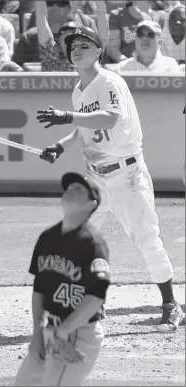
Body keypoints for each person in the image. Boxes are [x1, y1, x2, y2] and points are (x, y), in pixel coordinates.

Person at [37, 26, 185, 333]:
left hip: (127, 173)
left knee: (146, 239)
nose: (75, 49)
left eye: (83, 44)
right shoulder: (78, 90)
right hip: (96, 179)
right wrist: (61, 145)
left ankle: (171, 304)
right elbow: (85, 128)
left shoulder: (109, 81)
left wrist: (67, 116)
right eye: (72, 46)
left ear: (98, 50)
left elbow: (109, 117)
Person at [14, 171, 110, 386]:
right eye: (69, 187)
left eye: (79, 189)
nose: (70, 190)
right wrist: (37, 334)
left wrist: (65, 332)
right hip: (50, 330)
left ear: (91, 204)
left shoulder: (92, 244)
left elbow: (97, 295)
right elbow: (39, 288)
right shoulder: (48, 238)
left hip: (79, 333)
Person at [36, 0, 108, 71]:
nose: (70, 42)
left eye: (74, 38)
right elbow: (41, 18)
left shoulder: (91, 59)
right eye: (67, 38)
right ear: (60, 40)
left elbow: (103, 36)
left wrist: (100, 4)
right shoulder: (51, 55)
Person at [106, 20, 180, 72]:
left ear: (159, 42)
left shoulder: (170, 65)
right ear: (135, 40)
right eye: (140, 34)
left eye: (151, 35)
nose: (145, 38)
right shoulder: (123, 67)